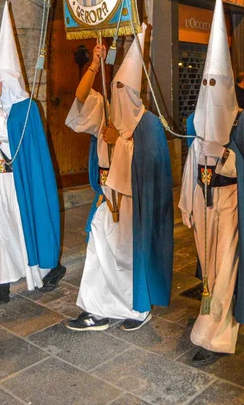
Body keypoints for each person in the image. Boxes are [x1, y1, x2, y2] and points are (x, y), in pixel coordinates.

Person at [65, 28, 174, 332]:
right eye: (115, 86)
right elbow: (80, 99)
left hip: (131, 204)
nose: (118, 92)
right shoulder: (107, 112)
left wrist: (122, 143)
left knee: (126, 260)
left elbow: (151, 167)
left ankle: (136, 310)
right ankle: (95, 311)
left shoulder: (149, 124)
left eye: (124, 87)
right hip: (106, 199)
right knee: (98, 254)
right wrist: (94, 65)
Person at [179, 0, 244, 367]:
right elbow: (190, 164)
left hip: (230, 207)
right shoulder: (198, 121)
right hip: (204, 205)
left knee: (226, 268)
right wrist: (186, 201)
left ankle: (219, 337)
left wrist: (226, 156)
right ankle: (207, 325)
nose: (211, 91)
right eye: (206, 84)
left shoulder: (241, 121)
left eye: (218, 84)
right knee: (209, 271)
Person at [0, 3, 65, 311]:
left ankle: (42, 270)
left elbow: (10, 141)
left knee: (23, 229)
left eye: (1, 78)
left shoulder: (26, 108)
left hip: (17, 182)